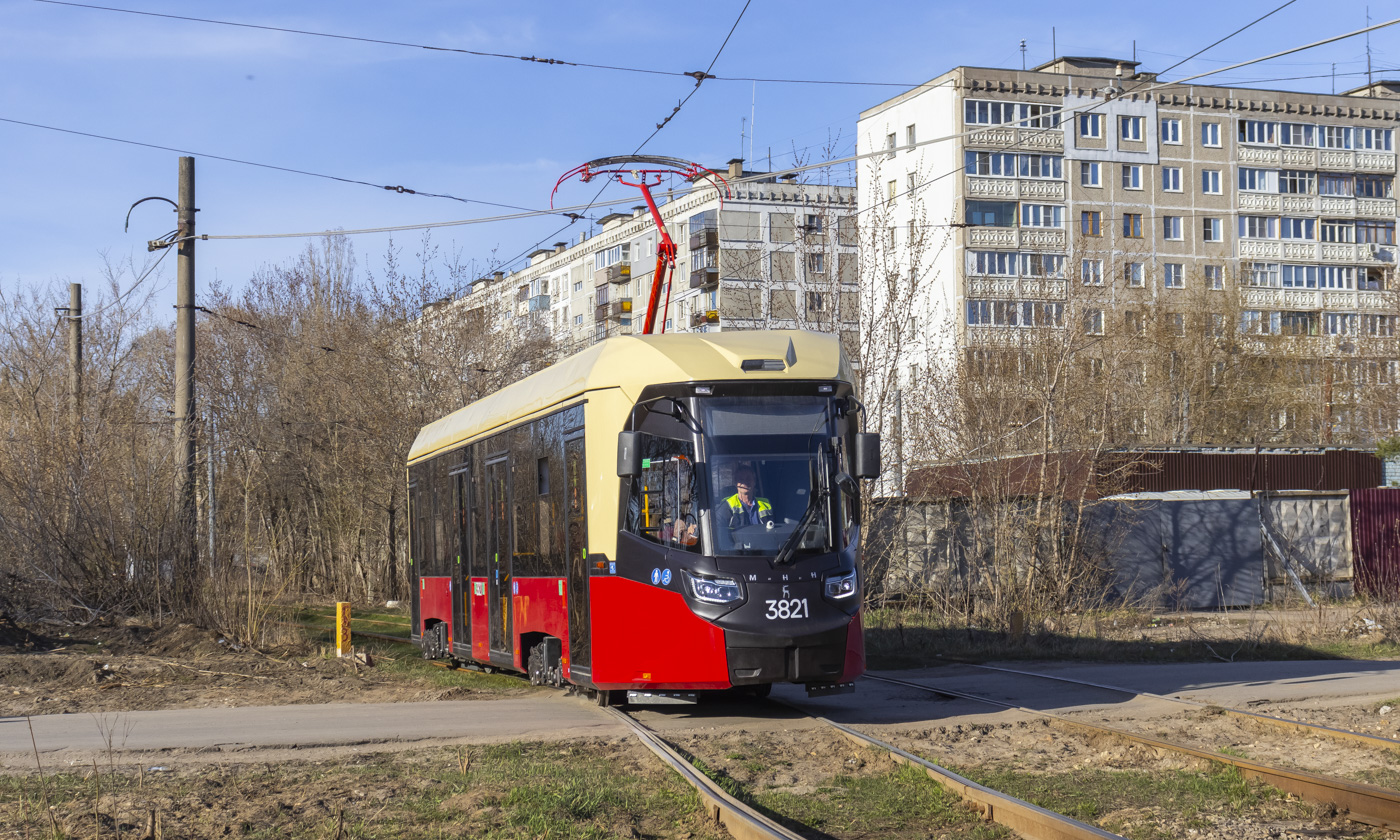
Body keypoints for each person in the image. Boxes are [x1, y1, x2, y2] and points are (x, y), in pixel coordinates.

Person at [722, 464, 773, 529]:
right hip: (737, 539)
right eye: (741, 479)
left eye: (748, 478)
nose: (745, 482)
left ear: (754, 482)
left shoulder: (766, 503)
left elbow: (775, 528)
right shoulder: (727, 506)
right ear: (735, 483)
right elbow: (717, 531)